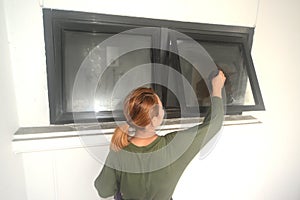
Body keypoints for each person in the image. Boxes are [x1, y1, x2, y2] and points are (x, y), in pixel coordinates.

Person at [95, 70, 226, 200]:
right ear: (154, 120)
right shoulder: (174, 146)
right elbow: (214, 124)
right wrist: (216, 89)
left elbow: (104, 190)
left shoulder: (119, 151)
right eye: (161, 108)